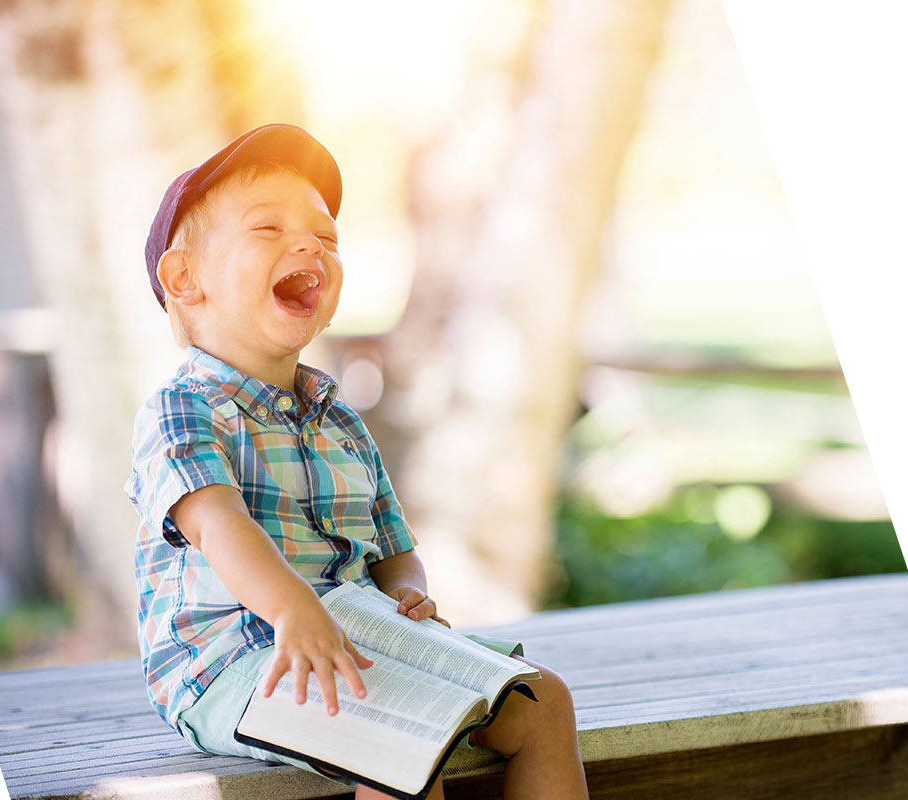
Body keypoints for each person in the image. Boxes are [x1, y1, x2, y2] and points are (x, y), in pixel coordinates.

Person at [125, 123, 588, 800]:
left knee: (545, 702)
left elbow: (392, 543)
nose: (310, 243)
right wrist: (292, 610)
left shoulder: (338, 417)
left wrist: (406, 588)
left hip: (356, 634)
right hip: (234, 662)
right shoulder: (182, 410)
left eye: (327, 236)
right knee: (401, 740)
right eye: (267, 229)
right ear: (184, 277)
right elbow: (219, 524)